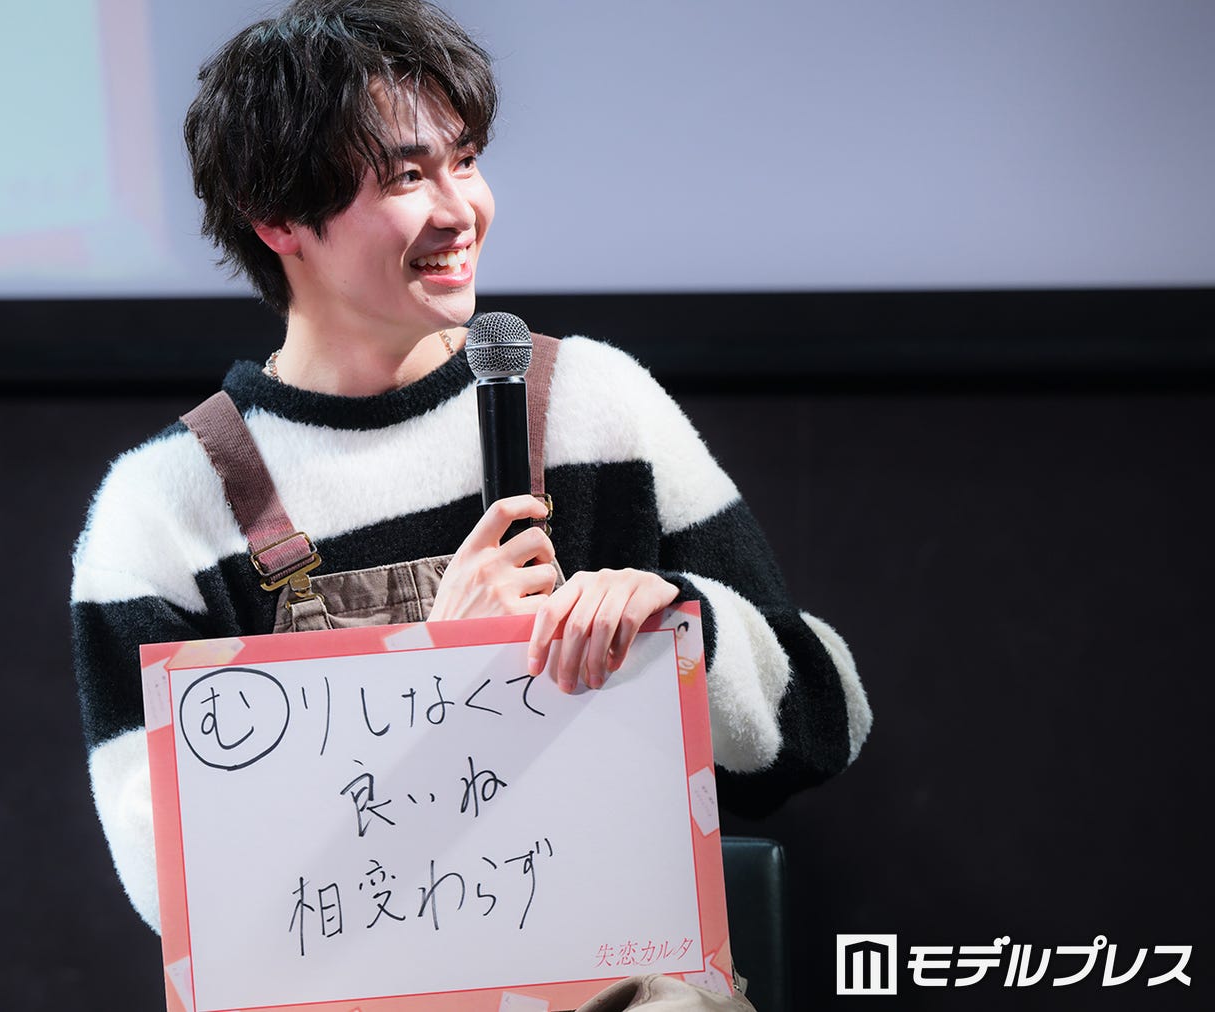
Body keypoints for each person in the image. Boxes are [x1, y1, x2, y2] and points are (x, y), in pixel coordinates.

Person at [70, 0, 870, 1005]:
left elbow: (825, 721)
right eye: (406, 177)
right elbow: (188, 897)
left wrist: (679, 630)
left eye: (465, 160)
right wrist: (443, 678)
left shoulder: (592, 405)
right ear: (277, 218)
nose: (461, 210)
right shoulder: (165, 508)